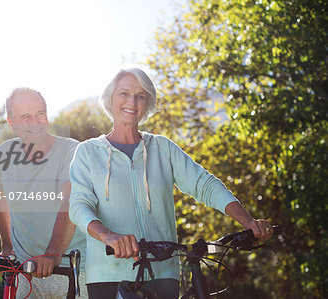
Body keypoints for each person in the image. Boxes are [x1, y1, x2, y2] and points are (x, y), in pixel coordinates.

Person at [68, 68, 274, 298]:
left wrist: (249, 222)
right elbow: (78, 207)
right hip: (108, 274)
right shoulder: (87, 152)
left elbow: (204, 184)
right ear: (110, 98)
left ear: (147, 103)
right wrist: (109, 236)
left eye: (140, 95)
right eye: (123, 93)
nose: (132, 102)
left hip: (164, 272)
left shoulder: (162, 148)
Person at [0, 88, 87, 298]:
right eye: (26, 117)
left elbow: (69, 201)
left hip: (73, 270)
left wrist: (52, 254)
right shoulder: (2, 155)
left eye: (40, 113)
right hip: (26, 272)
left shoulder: (71, 150)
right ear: (11, 122)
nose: (35, 122)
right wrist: (7, 246)